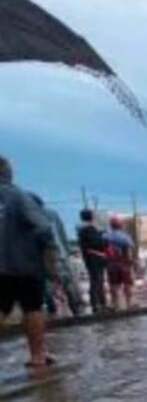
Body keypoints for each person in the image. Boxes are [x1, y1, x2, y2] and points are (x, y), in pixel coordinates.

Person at [0, 156, 56, 367]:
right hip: (25, 265)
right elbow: (43, 227)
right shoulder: (19, 196)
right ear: (7, 172)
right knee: (32, 309)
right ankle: (37, 356)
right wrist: (49, 258)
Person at [30, 194, 82, 317]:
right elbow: (62, 233)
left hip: (43, 257)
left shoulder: (31, 217)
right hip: (60, 254)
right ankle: (76, 310)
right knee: (68, 283)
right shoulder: (52, 214)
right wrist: (67, 252)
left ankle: (52, 310)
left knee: (48, 286)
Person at [77, 209, 108, 314]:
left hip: (90, 258)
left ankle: (100, 303)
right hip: (95, 258)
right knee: (97, 280)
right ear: (91, 217)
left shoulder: (81, 229)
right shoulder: (89, 229)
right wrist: (104, 240)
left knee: (96, 280)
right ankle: (98, 304)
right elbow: (98, 243)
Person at [104, 217, 136, 310]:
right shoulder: (125, 236)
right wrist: (133, 260)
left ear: (111, 226)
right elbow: (131, 248)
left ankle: (115, 304)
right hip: (124, 263)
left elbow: (103, 249)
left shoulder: (105, 236)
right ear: (121, 226)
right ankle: (129, 303)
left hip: (111, 264)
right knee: (127, 284)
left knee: (114, 285)